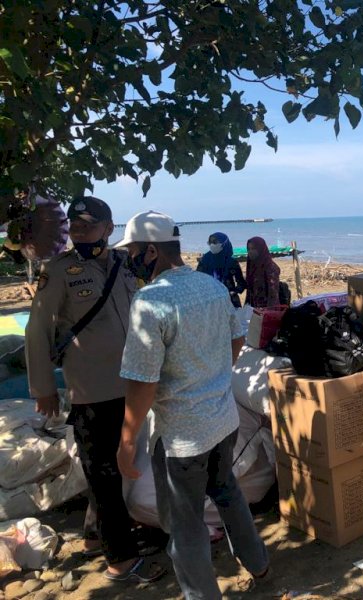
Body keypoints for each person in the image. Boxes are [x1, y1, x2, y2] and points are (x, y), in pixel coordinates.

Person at [114, 211, 270, 599]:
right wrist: (210, 377)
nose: (129, 259)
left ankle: (202, 594)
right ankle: (259, 564)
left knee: (185, 524)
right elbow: (236, 342)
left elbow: (142, 382)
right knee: (227, 491)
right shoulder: (211, 287)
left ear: (151, 251)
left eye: (133, 251)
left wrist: (128, 440)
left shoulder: (150, 301)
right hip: (223, 421)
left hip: (184, 436)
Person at [25, 197, 164, 583]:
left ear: (108, 227)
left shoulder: (122, 266)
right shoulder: (59, 271)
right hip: (90, 389)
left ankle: (93, 537)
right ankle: (120, 561)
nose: (80, 230)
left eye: (89, 224)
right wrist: (42, 387)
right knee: (103, 472)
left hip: (131, 385)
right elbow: (37, 330)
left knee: (118, 469)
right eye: (76, 224)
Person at [196, 232, 246, 307]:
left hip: (229, 300)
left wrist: (233, 292)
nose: (212, 244)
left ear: (224, 243)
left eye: (215, 242)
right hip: (209, 301)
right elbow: (198, 279)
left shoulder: (231, 262)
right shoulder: (205, 260)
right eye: (210, 242)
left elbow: (241, 283)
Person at [244, 236, 281, 308]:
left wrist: (268, 312)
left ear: (260, 249)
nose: (250, 251)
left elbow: (273, 294)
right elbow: (249, 291)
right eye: (249, 249)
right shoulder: (252, 266)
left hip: (267, 310)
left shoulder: (270, 267)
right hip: (254, 308)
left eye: (253, 249)